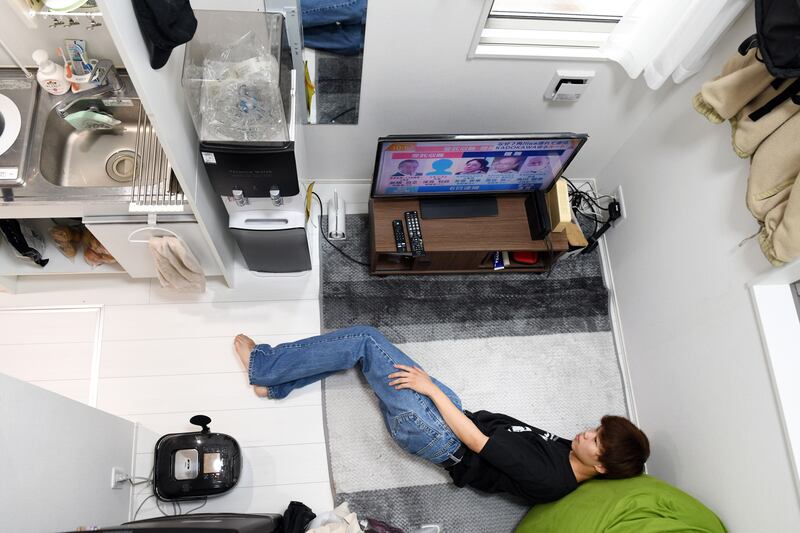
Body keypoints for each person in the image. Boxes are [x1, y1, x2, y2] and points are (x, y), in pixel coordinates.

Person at [233, 325, 650, 505]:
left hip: (437, 434)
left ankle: (266, 367)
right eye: (595, 429)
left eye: (595, 439)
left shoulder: (548, 475)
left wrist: (429, 387)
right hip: (453, 420)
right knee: (369, 356)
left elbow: (475, 442)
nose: (584, 433)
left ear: (602, 466)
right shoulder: (570, 458)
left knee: (365, 340)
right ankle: (276, 385)